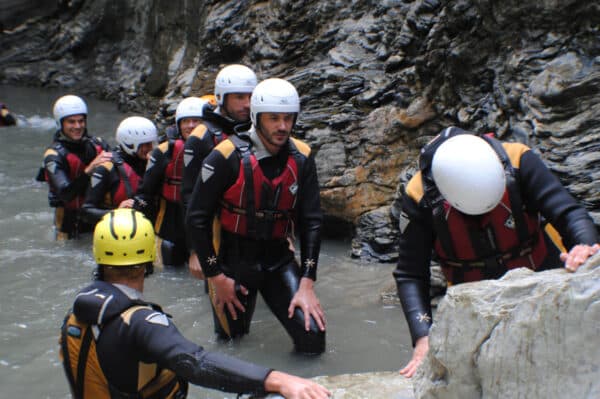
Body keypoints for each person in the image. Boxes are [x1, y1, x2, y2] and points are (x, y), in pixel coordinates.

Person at [394, 126, 600, 378]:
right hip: (474, 301)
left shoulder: (518, 161)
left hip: (541, 276)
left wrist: (583, 245)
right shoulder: (419, 195)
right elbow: (410, 274)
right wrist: (422, 336)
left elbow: (570, 214)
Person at [59, 208, 331, 399]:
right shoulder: (140, 323)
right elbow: (196, 363)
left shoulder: (80, 311)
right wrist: (277, 379)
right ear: (149, 256)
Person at [186, 78, 327, 354]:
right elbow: (196, 218)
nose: (282, 126)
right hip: (233, 263)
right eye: (273, 118)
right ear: (257, 117)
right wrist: (215, 276)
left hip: (278, 260)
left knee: (313, 339)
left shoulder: (302, 157)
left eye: (288, 118)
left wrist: (307, 282)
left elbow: (312, 220)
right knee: (232, 344)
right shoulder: (225, 156)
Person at [181, 65, 257, 280]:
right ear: (222, 98)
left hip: (252, 230)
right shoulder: (200, 138)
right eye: (239, 97)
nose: (247, 104)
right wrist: (195, 250)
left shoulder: (258, 130)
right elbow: (188, 197)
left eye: (251, 97)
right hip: (216, 230)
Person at [134, 97, 207, 267]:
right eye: (186, 121)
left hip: (202, 230)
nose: (190, 125)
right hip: (169, 231)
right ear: (178, 124)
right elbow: (145, 192)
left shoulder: (217, 150)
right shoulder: (164, 151)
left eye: (196, 121)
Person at [38, 95, 111, 239]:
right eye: (71, 122)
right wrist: (89, 170)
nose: (78, 126)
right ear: (61, 124)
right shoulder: (53, 155)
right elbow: (65, 193)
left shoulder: (98, 144)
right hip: (68, 224)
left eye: (81, 121)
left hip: (97, 216)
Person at [82, 116, 158, 224]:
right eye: (145, 144)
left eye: (151, 143)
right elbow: (86, 211)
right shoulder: (106, 168)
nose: (150, 148)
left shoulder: (152, 163)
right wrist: (116, 213)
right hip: (115, 230)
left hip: (144, 228)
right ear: (130, 144)